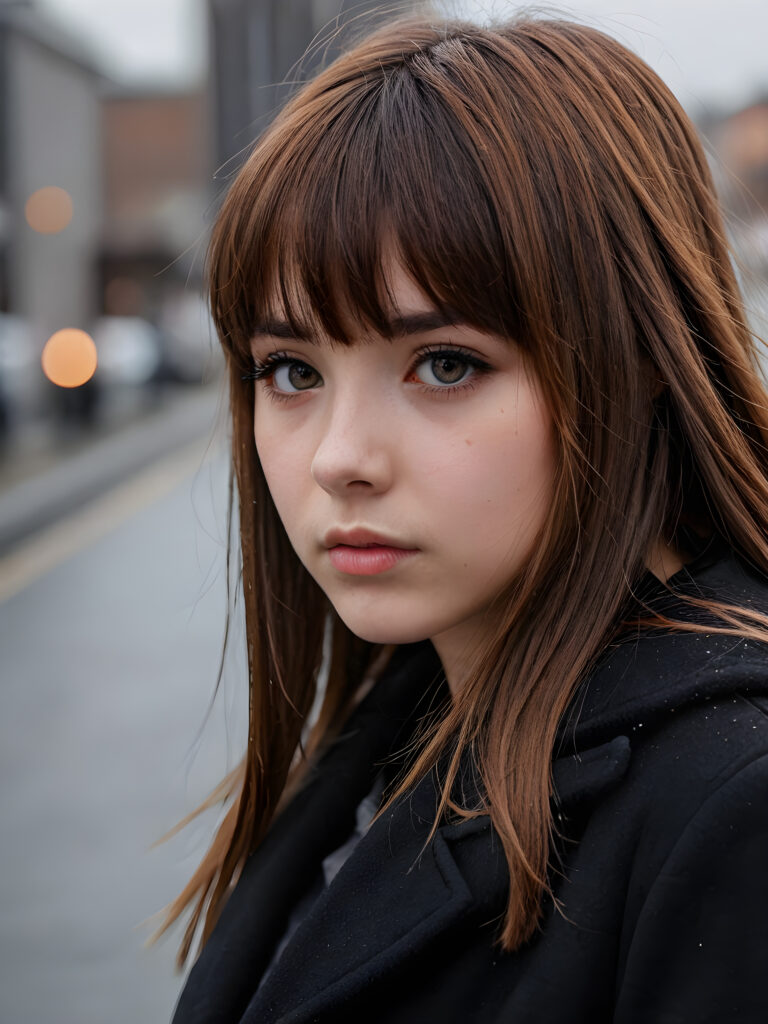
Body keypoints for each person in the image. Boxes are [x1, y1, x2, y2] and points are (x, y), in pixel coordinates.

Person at [162, 11, 768, 1023]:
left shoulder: (732, 803)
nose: (340, 458)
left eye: (445, 364)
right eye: (292, 371)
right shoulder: (403, 723)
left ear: (640, 361)